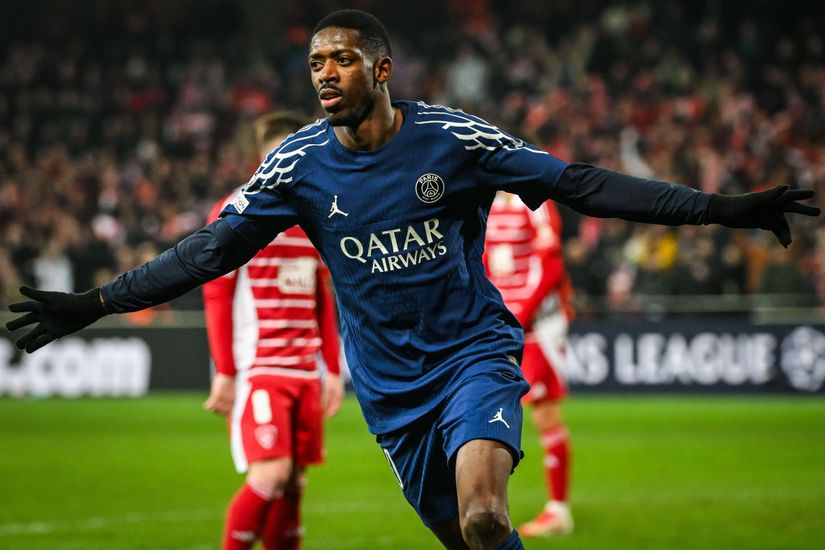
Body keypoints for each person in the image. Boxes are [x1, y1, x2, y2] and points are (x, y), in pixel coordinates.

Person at [6, 9, 819, 550]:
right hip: (390, 393)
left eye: (342, 60)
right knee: (467, 538)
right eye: (316, 63)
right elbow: (208, 252)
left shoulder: (451, 140)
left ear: (382, 68)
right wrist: (96, 301)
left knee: (481, 513)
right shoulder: (295, 166)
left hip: (471, 354)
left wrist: (720, 209)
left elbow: (577, 183)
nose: (324, 74)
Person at [202, 111, 343, 550]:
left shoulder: (317, 215)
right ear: (261, 159)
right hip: (259, 367)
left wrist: (332, 370)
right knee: (272, 472)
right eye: (275, 155)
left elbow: (323, 298)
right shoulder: (238, 208)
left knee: (295, 481)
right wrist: (226, 369)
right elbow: (216, 293)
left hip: (304, 370)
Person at [484, 193, 575, 536]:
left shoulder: (534, 203)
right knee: (490, 409)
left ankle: (559, 511)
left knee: (544, 412)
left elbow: (552, 267)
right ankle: (488, 504)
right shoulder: (488, 203)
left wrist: (519, 316)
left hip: (538, 327)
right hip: (505, 323)